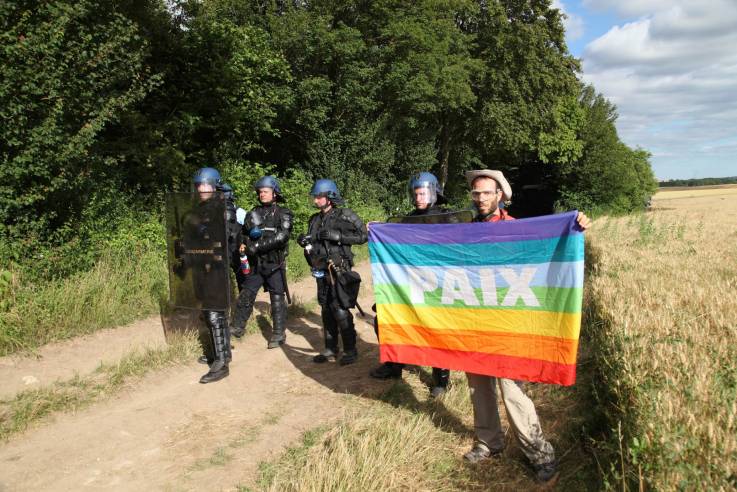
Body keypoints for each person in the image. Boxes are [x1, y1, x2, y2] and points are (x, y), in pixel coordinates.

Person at [461, 169, 590, 484]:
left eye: (486, 193)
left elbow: (546, 249)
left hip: (508, 324)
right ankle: (488, 442)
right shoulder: (464, 231)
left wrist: (576, 227)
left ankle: (539, 454)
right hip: (474, 322)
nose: (480, 199)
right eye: (476, 193)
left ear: (500, 195)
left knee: (511, 390)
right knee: (479, 387)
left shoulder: (517, 230)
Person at [369, 172, 454, 398]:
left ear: (434, 193)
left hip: (437, 284)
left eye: (423, 193)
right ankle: (394, 365)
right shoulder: (406, 220)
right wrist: (378, 230)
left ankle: (441, 378)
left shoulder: (448, 218)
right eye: (416, 193)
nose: (419, 197)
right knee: (385, 319)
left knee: (436, 329)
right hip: (408, 283)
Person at [298, 179, 367, 366]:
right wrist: (304, 240)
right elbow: (313, 240)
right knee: (326, 309)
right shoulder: (314, 219)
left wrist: (340, 237)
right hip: (320, 268)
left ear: (330, 197)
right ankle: (330, 348)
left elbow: (363, 236)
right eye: (315, 197)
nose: (315, 200)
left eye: (319, 196)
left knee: (340, 309)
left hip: (339, 268)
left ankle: (351, 350)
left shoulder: (345, 215)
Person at [231, 176, 293, 349]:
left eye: (265, 192)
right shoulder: (253, 212)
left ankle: (279, 333)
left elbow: (282, 237)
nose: (262, 195)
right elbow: (243, 233)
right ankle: (237, 327)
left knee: (277, 298)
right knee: (246, 293)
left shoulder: (284, 213)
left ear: (274, 193)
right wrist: (244, 243)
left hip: (275, 263)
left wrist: (256, 246)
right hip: (257, 264)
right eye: (260, 192)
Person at [188, 167, 232, 383]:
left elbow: (227, 235)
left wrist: (206, 230)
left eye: (204, 185)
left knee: (216, 313)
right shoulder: (199, 209)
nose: (200, 189)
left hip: (217, 268)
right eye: (198, 185)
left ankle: (221, 362)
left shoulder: (222, 207)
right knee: (208, 313)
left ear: (214, 186)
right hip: (202, 268)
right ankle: (219, 353)